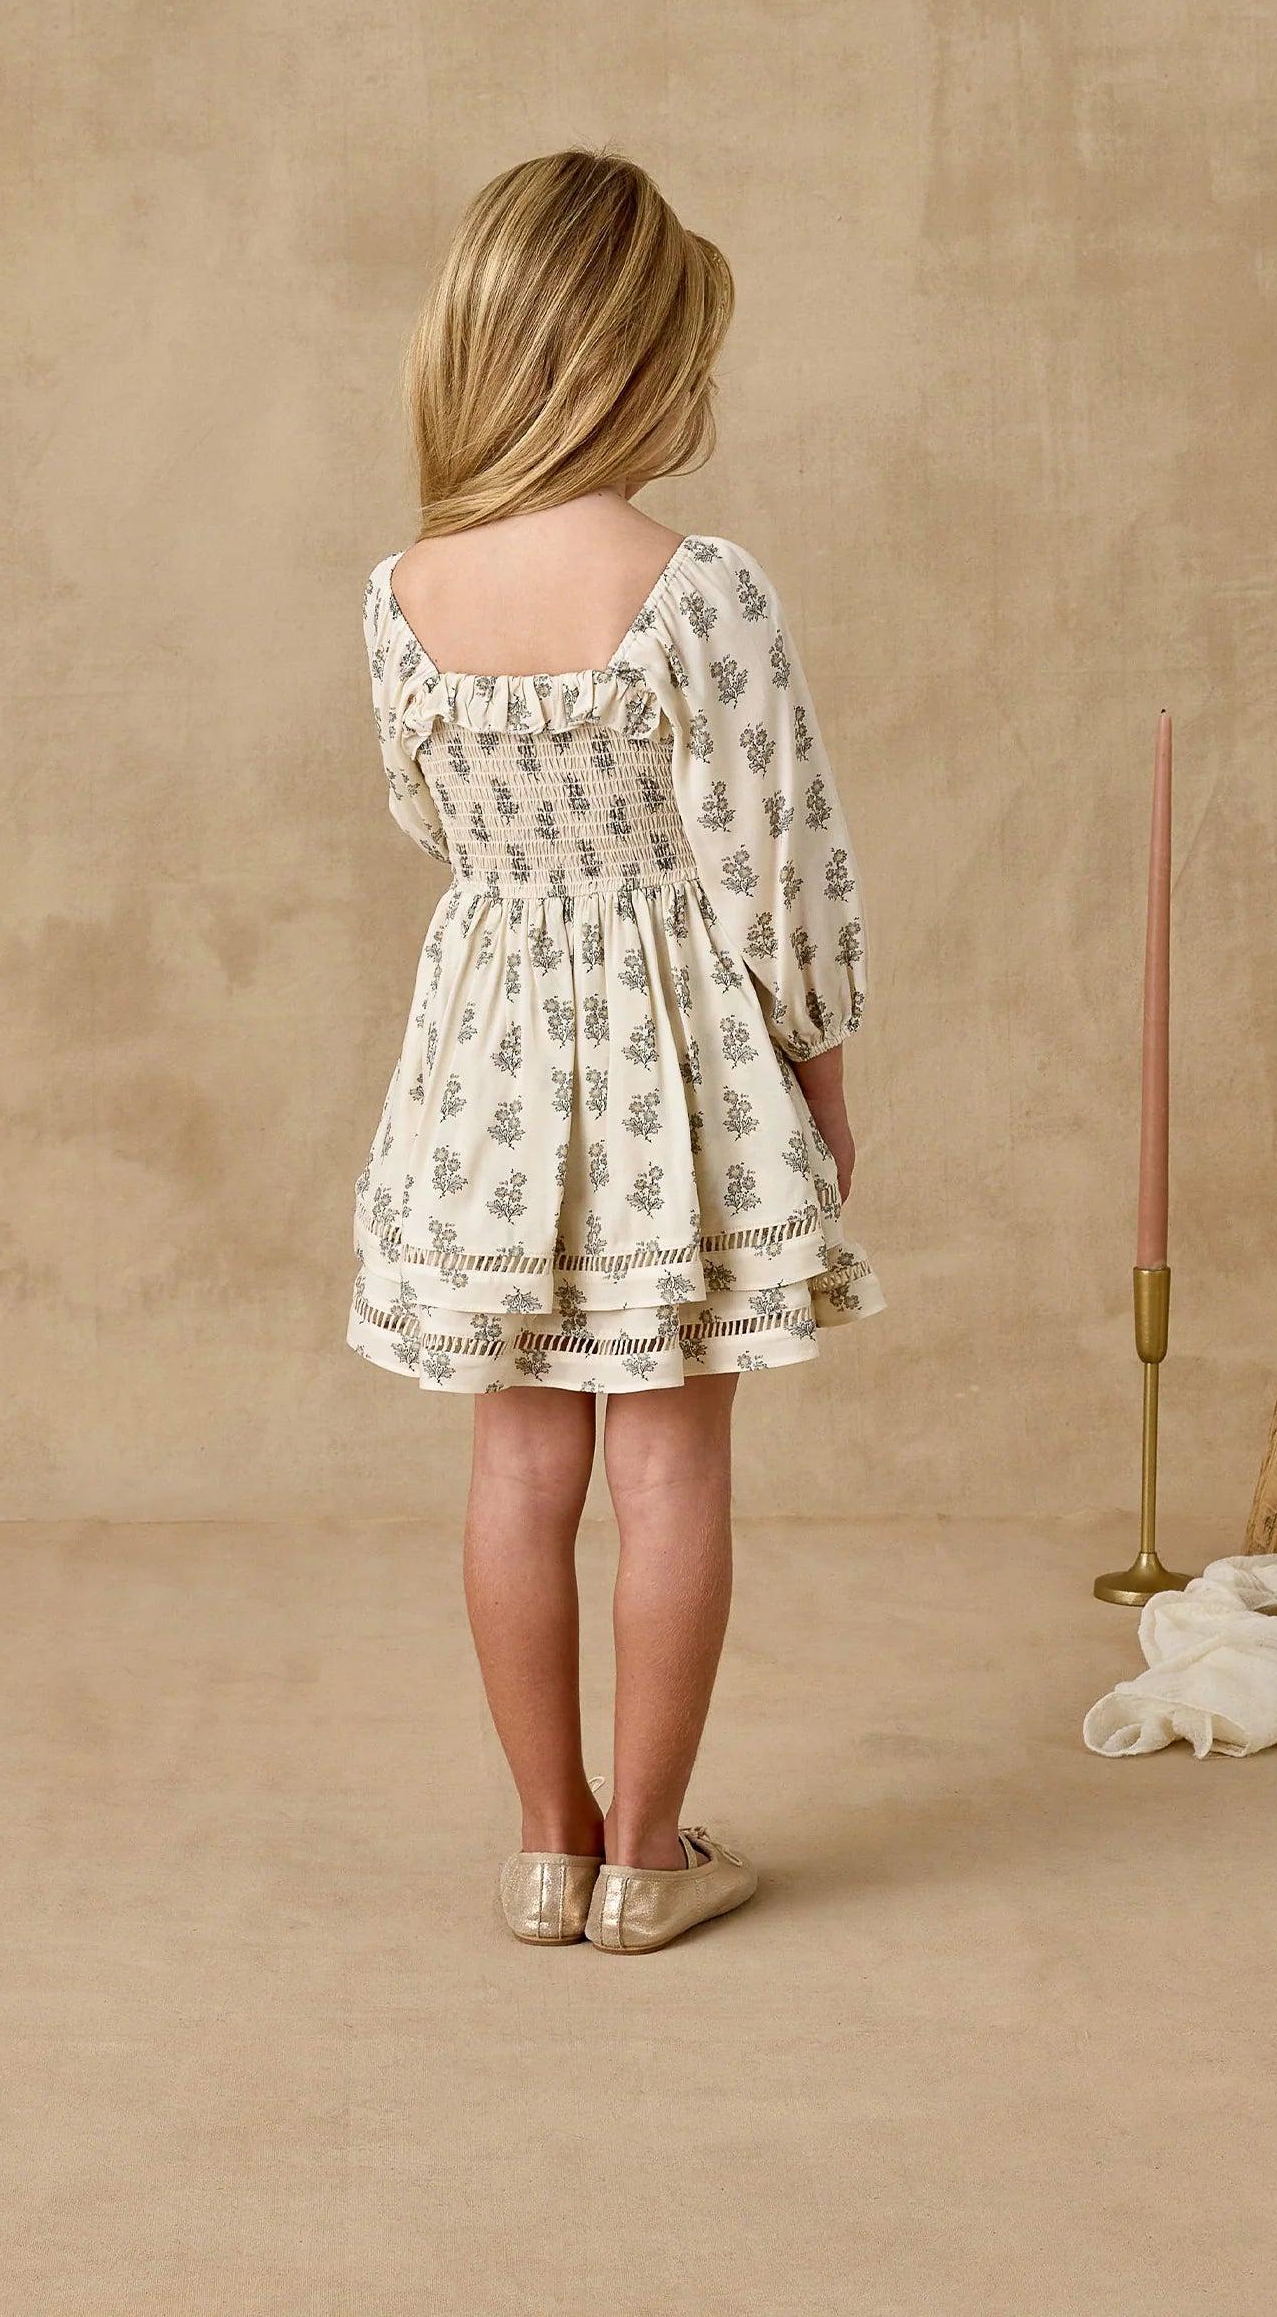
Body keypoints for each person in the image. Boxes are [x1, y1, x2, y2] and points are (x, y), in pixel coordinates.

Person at [347, 149, 884, 1954]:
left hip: (489, 1059)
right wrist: (818, 1068)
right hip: (676, 1063)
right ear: (633, 356)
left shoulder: (404, 593)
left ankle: (543, 1846)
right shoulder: (695, 587)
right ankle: (649, 1860)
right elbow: (777, 858)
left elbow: (428, 820)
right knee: (669, 1468)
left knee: (516, 1467)